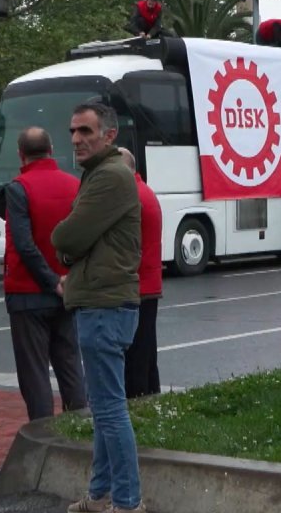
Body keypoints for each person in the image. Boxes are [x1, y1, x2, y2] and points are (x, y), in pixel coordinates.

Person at [50, 102, 146, 513]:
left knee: (109, 410)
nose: (76, 139)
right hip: (103, 302)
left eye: (86, 131)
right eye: (73, 131)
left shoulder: (109, 177)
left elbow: (66, 237)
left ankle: (126, 502)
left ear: (109, 135)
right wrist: (74, 256)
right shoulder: (100, 174)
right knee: (106, 408)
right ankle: (100, 494)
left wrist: (70, 256)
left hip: (105, 305)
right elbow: (77, 242)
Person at [3, 128, 87, 420]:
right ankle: (80, 423)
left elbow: (24, 244)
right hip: (69, 287)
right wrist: (66, 276)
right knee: (70, 363)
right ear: (51, 149)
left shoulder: (18, 188)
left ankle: (43, 432)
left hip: (28, 293)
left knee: (35, 372)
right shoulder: (74, 185)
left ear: (20, 154)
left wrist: (50, 281)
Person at [119, 148, 163, 399]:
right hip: (148, 284)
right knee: (146, 352)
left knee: (135, 356)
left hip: (137, 286)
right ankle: (151, 398)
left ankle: (139, 402)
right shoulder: (144, 191)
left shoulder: (131, 197)